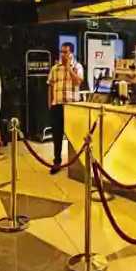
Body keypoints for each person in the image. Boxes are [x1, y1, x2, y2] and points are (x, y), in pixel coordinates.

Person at [47, 42, 84, 175]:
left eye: (66, 52)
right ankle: (57, 162)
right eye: (61, 52)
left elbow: (78, 82)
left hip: (72, 107)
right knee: (57, 135)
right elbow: (50, 85)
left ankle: (76, 163)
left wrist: (69, 68)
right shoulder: (55, 68)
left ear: (71, 53)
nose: (63, 54)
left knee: (74, 135)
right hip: (57, 105)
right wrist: (50, 102)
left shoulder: (77, 66)